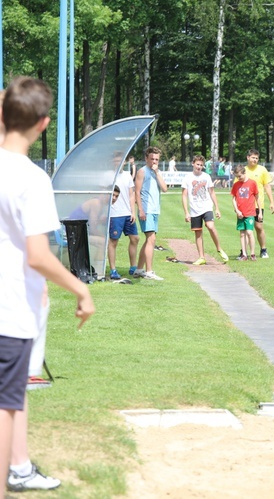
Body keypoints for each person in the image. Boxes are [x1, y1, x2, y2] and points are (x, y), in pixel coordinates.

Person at [0, 76, 95, 495]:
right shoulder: (32, 178)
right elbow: (39, 255)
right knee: (6, 404)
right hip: (10, 309)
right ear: (44, 124)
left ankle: (19, 468)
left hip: (13, 304)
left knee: (13, 395)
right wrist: (81, 288)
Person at [181, 155, 229, 265]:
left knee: (210, 226)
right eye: (197, 164)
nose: (199, 167)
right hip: (194, 209)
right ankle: (201, 257)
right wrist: (186, 212)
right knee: (198, 233)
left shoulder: (206, 177)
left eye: (201, 165)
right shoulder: (187, 178)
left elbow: (212, 192)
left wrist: (217, 208)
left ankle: (219, 248)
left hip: (206, 206)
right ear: (193, 164)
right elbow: (184, 195)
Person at [133, 146, 168, 280]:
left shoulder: (156, 172)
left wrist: (157, 172)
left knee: (149, 240)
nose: (154, 161)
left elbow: (164, 189)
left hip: (154, 210)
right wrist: (141, 210)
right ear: (146, 158)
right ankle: (149, 271)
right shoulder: (142, 172)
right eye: (152, 159)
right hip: (146, 210)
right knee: (151, 239)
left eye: (157, 159)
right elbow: (137, 192)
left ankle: (139, 269)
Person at [108, 153, 140, 279]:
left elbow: (131, 194)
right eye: (116, 160)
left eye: (121, 160)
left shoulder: (127, 175)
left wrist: (133, 211)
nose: (119, 162)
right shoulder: (108, 176)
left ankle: (133, 267)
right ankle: (113, 270)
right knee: (113, 241)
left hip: (127, 213)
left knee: (135, 238)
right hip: (114, 214)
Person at [245, 149, 274, 258]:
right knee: (245, 229)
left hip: (258, 204)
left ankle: (263, 249)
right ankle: (244, 252)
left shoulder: (262, 170)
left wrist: (272, 202)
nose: (255, 160)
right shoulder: (243, 171)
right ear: (248, 157)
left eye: (257, 158)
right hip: (245, 205)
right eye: (253, 157)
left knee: (258, 227)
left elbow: (267, 186)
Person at [231, 164, 259, 261]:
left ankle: (252, 253)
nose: (238, 178)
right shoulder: (236, 185)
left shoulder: (252, 183)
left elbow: (257, 197)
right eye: (237, 177)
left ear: (244, 173)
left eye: (240, 176)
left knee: (249, 232)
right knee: (242, 234)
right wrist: (237, 210)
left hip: (250, 212)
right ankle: (244, 254)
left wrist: (260, 212)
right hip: (240, 214)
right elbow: (234, 199)